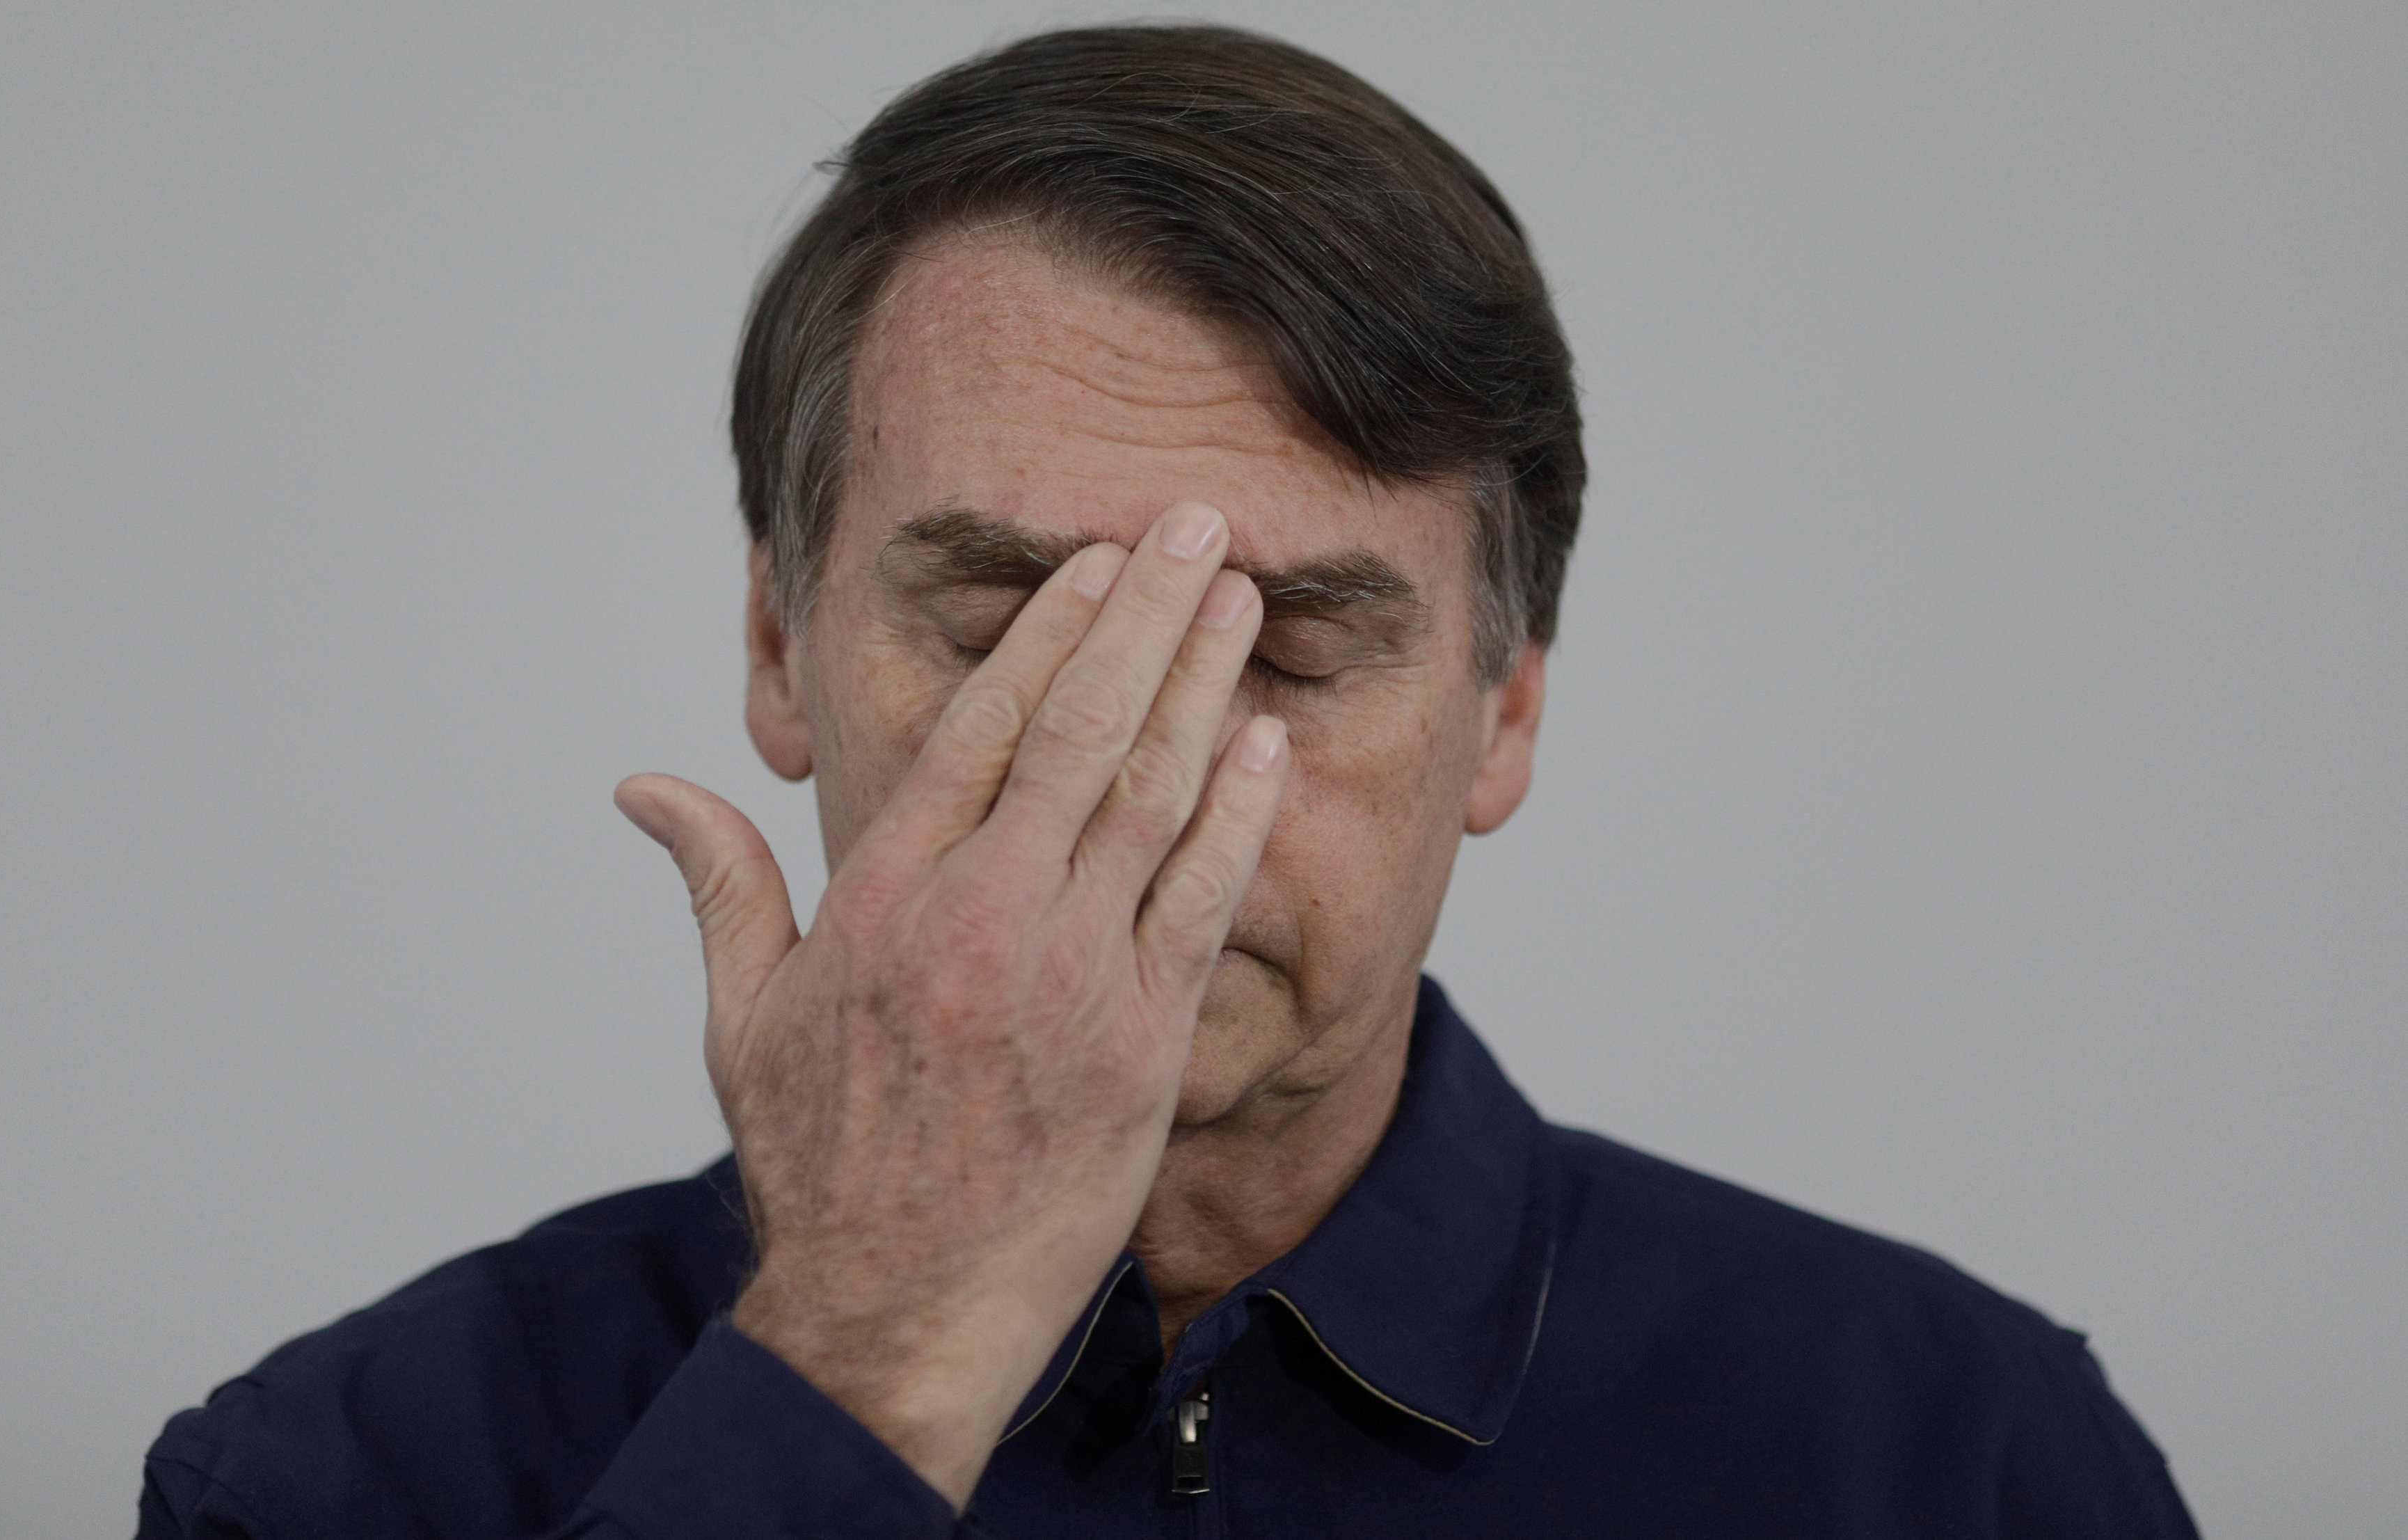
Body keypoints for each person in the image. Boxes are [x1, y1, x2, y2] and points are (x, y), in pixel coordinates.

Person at [139, 24, 2198, 1539]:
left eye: (1291, 648)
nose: (1136, 766)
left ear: (1502, 714)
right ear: (779, 649)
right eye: (1004, 626)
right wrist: (878, 1350)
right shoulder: (345, 1470)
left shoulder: (1949, 1455)